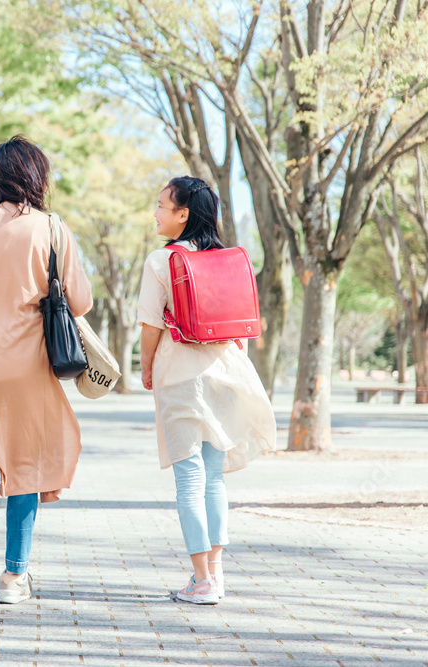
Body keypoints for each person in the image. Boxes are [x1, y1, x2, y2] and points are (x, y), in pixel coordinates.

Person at [0, 136, 93, 612]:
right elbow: (81, 301)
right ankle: (13, 576)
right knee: (26, 467)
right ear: (36, 176)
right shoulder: (51, 229)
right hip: (26, 367)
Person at [136, 176, 277, 605]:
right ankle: (215, 573)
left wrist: (145, 371)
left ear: (182, 214)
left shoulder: (161, 261)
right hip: (227, 373)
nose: (156, 212)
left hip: (180, 376)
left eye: (161, 205)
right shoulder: (232, 259)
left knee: (189, 479)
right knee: (213, 478)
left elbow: (150, 326)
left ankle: (200, 581)